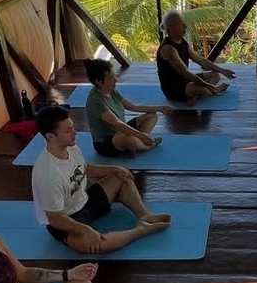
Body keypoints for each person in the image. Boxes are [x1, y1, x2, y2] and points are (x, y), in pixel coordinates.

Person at [31, 106, 171, 257]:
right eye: (68, 131)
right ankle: (141, 230)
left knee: (121, 177)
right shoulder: (48, 174)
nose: (75, 132)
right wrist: (85, 229)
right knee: (97, 245)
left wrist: (115, 169)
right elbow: (55, 219)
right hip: (66, 220)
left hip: (85, 202)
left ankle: (144, 215)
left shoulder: (71, 148)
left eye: (73, 127)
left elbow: (84, 168)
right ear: (50, 136)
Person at [83, 57, 172, 157]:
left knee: (152, 116)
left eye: (114, 76)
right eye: (111, 77)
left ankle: (135, 145)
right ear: (98, 81)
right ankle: (148, 145)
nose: (115, 80)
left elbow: (134, 107)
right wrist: (141, 135)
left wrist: (160, 108)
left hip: (121, 131)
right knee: (128, 138)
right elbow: (117, 122)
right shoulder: (95, 101)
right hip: (106, 143)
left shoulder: (112, 92)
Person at [156, 9, 235, 104]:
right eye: (180, 23)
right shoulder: (168, 49)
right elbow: (185, 73)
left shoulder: (183, 43)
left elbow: (202, 61)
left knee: (215, 75)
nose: (184, 27)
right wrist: (208, 85)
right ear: (170, 27)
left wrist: (222, 70)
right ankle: (213, 90)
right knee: (201, 89)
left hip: (185, 81)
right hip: (173, 89)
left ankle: (196, 96)